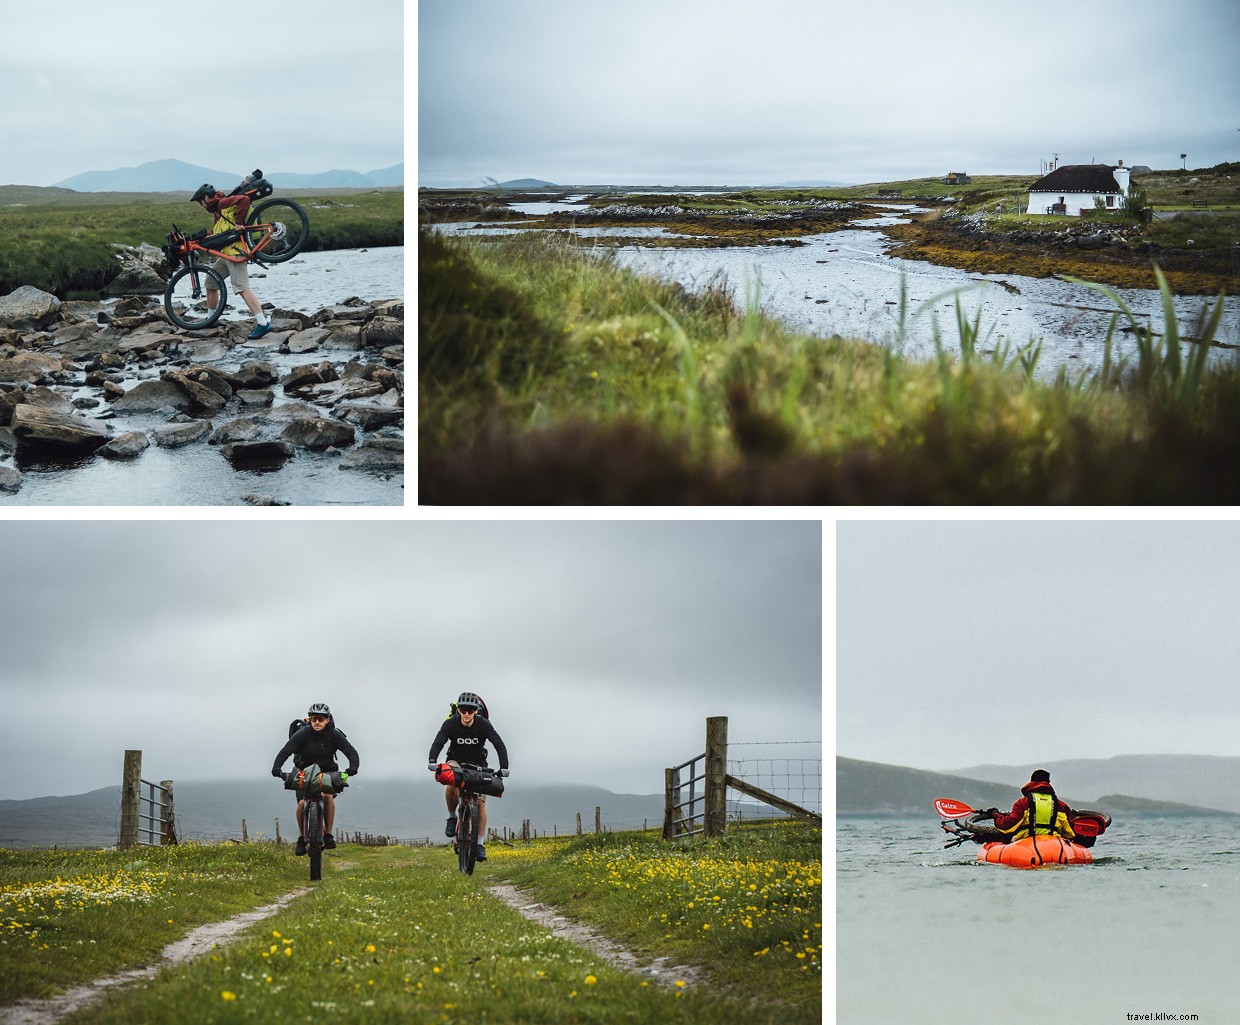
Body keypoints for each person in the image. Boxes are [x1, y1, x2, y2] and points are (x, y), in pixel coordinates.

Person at [427, 692, 509, 862]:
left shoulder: (483, 724)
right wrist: (432, 760)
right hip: (456, 760)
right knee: (451, 781)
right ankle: (452, 817)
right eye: (463, 709)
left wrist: (505, 767)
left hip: (478, 764)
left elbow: (499, 744)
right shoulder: (451, 724)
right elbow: (438, 742)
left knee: (480, 804)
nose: (466, 714)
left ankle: (479, 844)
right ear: (458, 710)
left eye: (470, 710)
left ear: (476, 711)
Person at [271, 702, 359, 855]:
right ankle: (301, 838)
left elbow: (351, 752)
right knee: (300, 804)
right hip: (303, 772)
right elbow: (285, 751)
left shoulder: (334, 734)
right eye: (314, 719)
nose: (317, 722)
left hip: (326, 773)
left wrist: (353, 768)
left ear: (327, 720)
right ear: (310, 720)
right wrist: (276, 769)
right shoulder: (303, 734)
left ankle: (328, 835)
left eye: (321, 719)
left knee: (327, 797)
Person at [189, 182, 272, 340]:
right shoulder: (218, 212)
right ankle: (212, 318)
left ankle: (263, 323)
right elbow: (220, 233)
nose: (201, 205)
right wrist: (203, 236)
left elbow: (244, 201)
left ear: (206, 198)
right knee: (211, 283)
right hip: (225, 255)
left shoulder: (222, 203)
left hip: (236, 253)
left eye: (200, 202)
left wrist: (240, 222)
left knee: (242, 288)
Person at [986, 769, 1076, 842]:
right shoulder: (1062, 806)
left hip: (1026, 843)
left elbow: (1007, 826)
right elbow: (1069, 833)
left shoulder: (1022, 803)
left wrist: (995, 814)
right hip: (1055, 843)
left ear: (1032, 781)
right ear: (1048, 783)